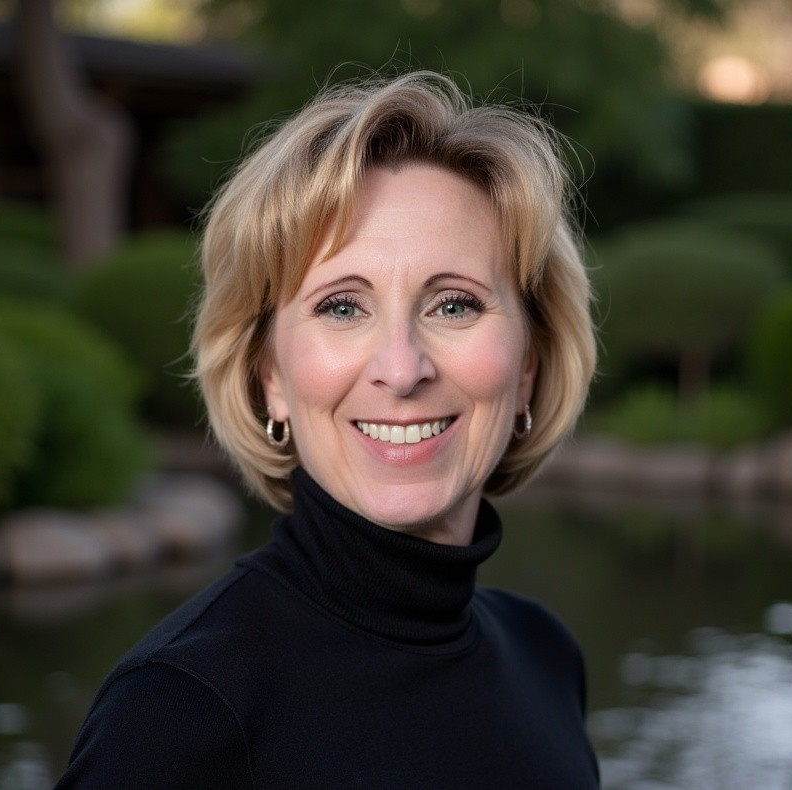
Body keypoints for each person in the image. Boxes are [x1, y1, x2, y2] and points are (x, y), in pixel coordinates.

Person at [55, 70, 598, 789]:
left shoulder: (545, 657)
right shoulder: (180, 711)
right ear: (269, 375)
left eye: (455, 305)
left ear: (528, 364)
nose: (402, 369)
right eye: (342, 307)